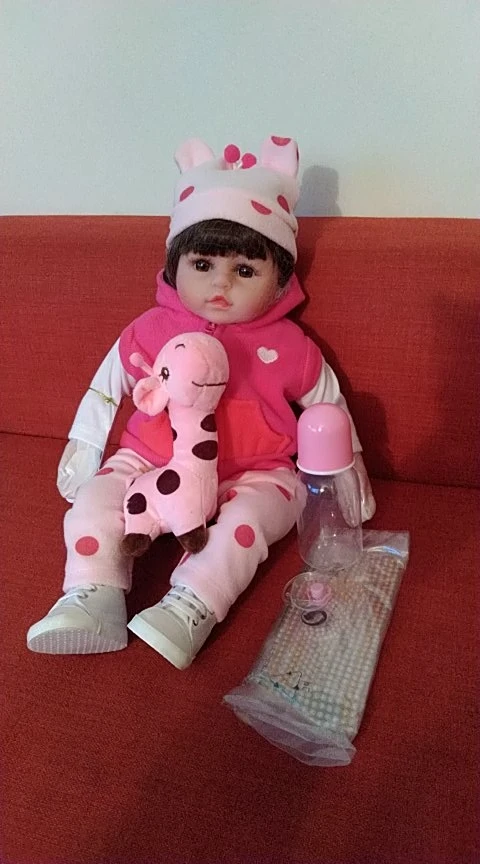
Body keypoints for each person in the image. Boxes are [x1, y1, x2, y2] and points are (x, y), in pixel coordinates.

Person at [27, 135, 376, 669]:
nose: (220, 285)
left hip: (257, 469)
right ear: (174, 265)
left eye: (245, 271)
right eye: (203, 264)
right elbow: (106, 386)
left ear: (280, 280)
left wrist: (349, 472)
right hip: (149, 459)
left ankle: (192, 603)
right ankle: (92, 594)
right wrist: (86, 443)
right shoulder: (149, 329)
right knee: (95, 502)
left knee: (257, 516)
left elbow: (329, 406)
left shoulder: (290, 346)